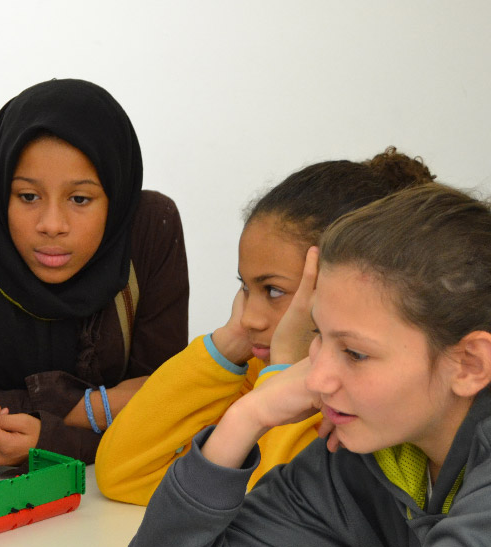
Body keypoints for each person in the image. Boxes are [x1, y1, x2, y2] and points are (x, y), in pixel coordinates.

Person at [0, 182, 491, 547]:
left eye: (356, 353)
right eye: (318, 337)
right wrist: (247, 417)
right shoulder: (365, 458)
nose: (316, 377)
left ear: (469, 364)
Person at [96, 148, 435, 504]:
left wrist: (284, 373)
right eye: (245, 287)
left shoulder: (377, 407)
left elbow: (271, 519)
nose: (249, 318)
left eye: (273, 290)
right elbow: (124, 474)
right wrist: (227, 346)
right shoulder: (256, 374)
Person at [0, 78, 189, 466]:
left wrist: (52, 438)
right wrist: (97, 408)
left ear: (116, 195)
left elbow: (165, 408)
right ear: (0, 190)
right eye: (28, 196)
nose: (52, 225)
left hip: (113, 486)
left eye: (80, 199)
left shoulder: (146, 231)